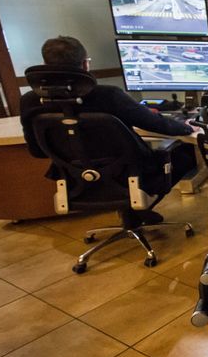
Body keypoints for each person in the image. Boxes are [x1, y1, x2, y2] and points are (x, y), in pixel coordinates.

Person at [19, 36, 197, 223]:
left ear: (45, 65)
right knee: (186, 152)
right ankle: (136, 210)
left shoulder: (29, 101)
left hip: (75, 179)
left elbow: (37, 151)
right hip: (130, 176)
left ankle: (132, 214)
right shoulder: (108, 95)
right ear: (85, 64)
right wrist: (185, 127)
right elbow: (155, 123)